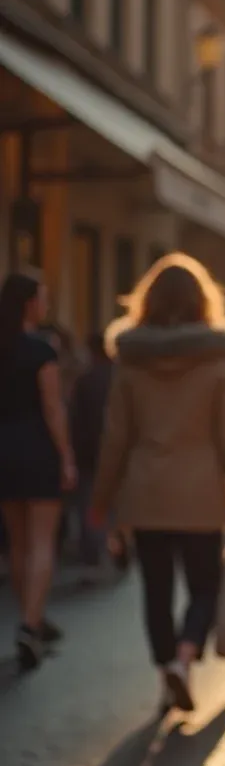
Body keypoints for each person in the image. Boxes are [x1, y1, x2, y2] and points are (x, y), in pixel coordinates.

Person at [87, 253, 225, 713]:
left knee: (155, 590)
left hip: (147, 490)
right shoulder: (218, 361)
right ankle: (184, 656)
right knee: (205, 585)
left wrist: (101, 500)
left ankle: (166, 671)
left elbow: (116, 438)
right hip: (202, 491)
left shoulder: (131, 362)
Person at [0, 272, 75, 671]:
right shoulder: (42, 350)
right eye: (43, 298)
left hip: (4, 450)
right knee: (42, 542)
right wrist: (66, 456)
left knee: (17, 543)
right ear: (30, 303)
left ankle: (31, 617)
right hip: (38, 449)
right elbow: (52, 408)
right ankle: (31, 624)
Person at [69, 333, 116, 580]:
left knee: (90, 504)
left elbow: (75, 419)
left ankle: (94, 556)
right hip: (114, 451)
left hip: (88, 452)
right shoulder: (120, 376)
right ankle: (115, 552)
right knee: (114, 505)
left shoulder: (86, 380)